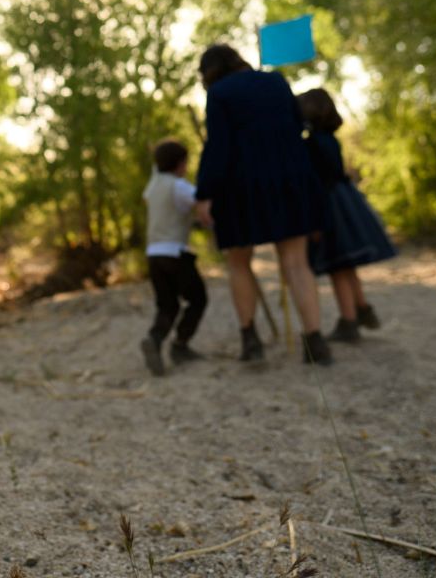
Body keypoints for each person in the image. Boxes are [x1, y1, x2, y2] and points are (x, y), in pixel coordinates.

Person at [193, 44, 333, 366]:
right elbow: (297, 126)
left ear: (210, 71)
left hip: (241, 186)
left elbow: (219, 147)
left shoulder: (219, 94)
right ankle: (315, 340)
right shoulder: (276, 81)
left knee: (239, 261)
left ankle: (251, 340)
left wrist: (205, 194)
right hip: (290, 179)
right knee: (297, 262)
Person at [297, 88, 396, 342]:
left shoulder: (312, 144)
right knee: (346, 264)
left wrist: (315, 220)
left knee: (338, 265)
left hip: (329, 205)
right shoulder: (330, 138)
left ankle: (349, 321)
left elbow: (317, 181)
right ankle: (361, 308)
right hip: (343, 200)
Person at [139, 139, 208, 376]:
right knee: (198, 298)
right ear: (181, 163)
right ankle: (180, 344)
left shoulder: (154, 184)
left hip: (153, 254)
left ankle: (155, 339)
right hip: (174, 253)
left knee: (167, 304)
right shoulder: (178, 186)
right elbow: (201, 201)